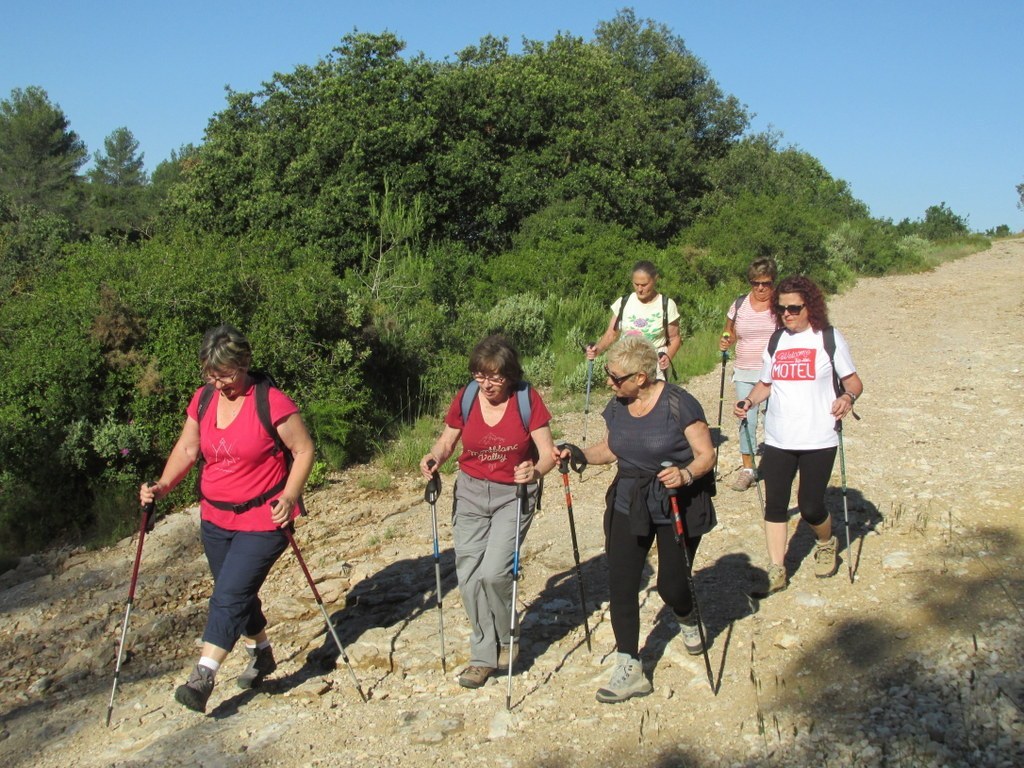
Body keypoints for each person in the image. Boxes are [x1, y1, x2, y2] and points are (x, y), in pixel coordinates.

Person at [139, 325, 315, 713]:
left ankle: (203, 676)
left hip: (264, 518)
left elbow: (303, 450)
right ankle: (262, 653)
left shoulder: (272, 402)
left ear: (245, 365)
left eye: (226, 375)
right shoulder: (203, 400)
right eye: (211, 375)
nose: (219, 383)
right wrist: (163, 486)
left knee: (229, 594)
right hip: (215, 518)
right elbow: (187, 448)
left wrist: (289, 494)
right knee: (238, 590)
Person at [557, 335, 716, 703]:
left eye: (616, 378)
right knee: (622, 583)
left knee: (671, 586)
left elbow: (705, 454)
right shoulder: (618, 405)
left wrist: (686, 475)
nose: (610, 383)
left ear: (641, 377)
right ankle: (629, 663)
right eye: (609, 376)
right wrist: (577, 453)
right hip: (630, 498)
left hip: (678, 499)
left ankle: (686, 614)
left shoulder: (679, 404)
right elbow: (612, 447)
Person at [419, 335, 556, 689]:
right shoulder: (467, 397)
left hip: (513, 494)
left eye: (494, 377)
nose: (487, 384)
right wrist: (434, 457)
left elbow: (547, 453)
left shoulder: (526, 400)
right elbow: (448, 440)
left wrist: (536, 471)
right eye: (480, 376)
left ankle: (508, 637)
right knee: (468, 575)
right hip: (471, 493)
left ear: (509, 375)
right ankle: (483, 655)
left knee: (495, 573)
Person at [733, 276, 863, 594]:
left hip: (819, 436)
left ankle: (825, 541)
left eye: (794, 308)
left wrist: (847, 398)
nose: (787, 314)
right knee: (775, 505)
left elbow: (854, 381)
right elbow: (766, 383)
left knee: (810, 506)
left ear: (810, 306)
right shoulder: (777, 341)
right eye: (782, 309)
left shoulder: (828, 338)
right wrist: (749, 400)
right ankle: (777, 568)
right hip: (779, 437)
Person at [718, 257, 779, 491]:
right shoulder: (740, 304)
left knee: (773, 418)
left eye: (766, 283)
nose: (761, 288)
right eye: (755, 283)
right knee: (746, 418)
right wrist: (726, 341)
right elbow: (729, 330)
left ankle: (776, 463)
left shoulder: (780, 305)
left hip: (774, 373)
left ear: (773, 282)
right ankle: (748, 470)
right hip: (744, 369)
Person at [586, 260, 681, 381]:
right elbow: (611, 333)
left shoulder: (667, 305)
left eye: (644, 284)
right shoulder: (624, 302)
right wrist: (597, 349)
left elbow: (675, 338)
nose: (640, 289)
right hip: (625, 364)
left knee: (653, 399)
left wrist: (668, 356)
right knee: (626, 399)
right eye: (636, 284)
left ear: (655, 279)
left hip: (653, 365)